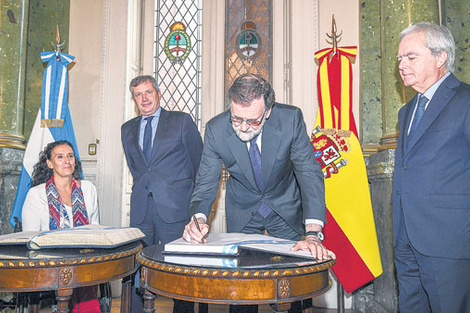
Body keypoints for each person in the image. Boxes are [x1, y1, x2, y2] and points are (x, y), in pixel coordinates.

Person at [184, 73, 335, 313]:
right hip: (243, 210)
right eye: (236, 119)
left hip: (284, 206)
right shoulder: (215, 129)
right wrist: (198, 218)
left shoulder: (290, 120)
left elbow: (308, 173)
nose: (243, 127)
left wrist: (313, 232)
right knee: (242, 289)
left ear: (268, 111)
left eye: (253, 121)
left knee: (292, 288)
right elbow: (205, 182)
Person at [393, 22, 470, 313]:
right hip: (406, 239)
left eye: (411, 57)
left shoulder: (465, 100)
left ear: (440, 58)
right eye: (399, 58)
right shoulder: (406, 111)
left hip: (449, 243)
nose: (402, 65)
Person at [121, 75, 203, 313]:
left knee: (178, 271)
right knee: (137, 270)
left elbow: (199, 165)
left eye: (148, 92)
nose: (144, 99)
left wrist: (196, 209)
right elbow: (138, 168)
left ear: (158, 93)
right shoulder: (127, 129)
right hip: (141, 211)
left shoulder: (180, 121)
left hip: (175, 209)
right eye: (138, 94)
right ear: (134, 99)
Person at [22, 140, 100, 312]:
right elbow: (30, 239)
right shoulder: (36, 195)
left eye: (70, 156)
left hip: (84, 259)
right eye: (60, 157)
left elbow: (95, 229)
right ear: (49, 163)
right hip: (48, 262)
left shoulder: (88, 189)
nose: (67, 161)